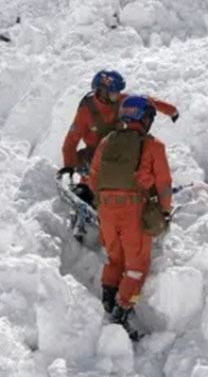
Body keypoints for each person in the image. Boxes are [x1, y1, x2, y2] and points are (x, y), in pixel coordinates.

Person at [88, 96, 172, 339]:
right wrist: (164, 210)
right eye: (149, 117)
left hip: (106, 209)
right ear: (142, 118)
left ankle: (107, 301)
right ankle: (121, 313)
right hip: (132, 210)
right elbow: (164, 184)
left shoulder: (107, 141)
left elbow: (94, 178)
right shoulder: (153, 145)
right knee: (137, 266)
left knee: (115, 258)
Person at [60, 70, 178, 183]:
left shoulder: (122, 100)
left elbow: (146, 101)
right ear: (102, 92)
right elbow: (71, 141)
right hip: (94, 153)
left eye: (118, 92)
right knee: (87, 164)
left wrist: (171, 110)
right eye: (113, 93)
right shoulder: (85, 111)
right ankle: (86, 188)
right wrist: (68, 166)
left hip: (118, 147)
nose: (117, 95)